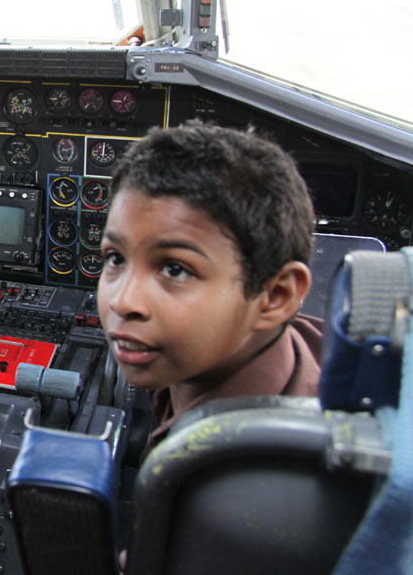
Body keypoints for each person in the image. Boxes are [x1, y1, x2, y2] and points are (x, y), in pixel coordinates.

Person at [97, 120, 321, 456]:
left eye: (175, 269)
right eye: (116, 258)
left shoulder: (247, 483)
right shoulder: (293, 342)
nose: (123, 301)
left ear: (277, 297)